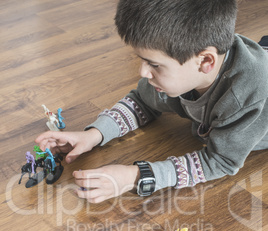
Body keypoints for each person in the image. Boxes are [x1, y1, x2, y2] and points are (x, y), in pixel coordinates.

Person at [35, 0, 268, 204]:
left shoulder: (245, 96)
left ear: (205, 60)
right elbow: (141, 101)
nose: (143, 72)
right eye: (142, 60)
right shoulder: (182, 70)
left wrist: (135, 176)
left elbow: (220, 161)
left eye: (154, 64)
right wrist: (93, 134)